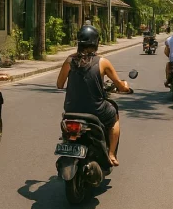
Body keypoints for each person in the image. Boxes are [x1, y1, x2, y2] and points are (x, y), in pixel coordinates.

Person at [56, 25, 132, 166]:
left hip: (71, 110)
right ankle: (111, 154)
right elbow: (120, 86)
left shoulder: (69, 60)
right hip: (96, 110)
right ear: (96, 42)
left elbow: (60, 84)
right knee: (114, 116)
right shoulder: (103, 62)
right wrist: (125, 86)